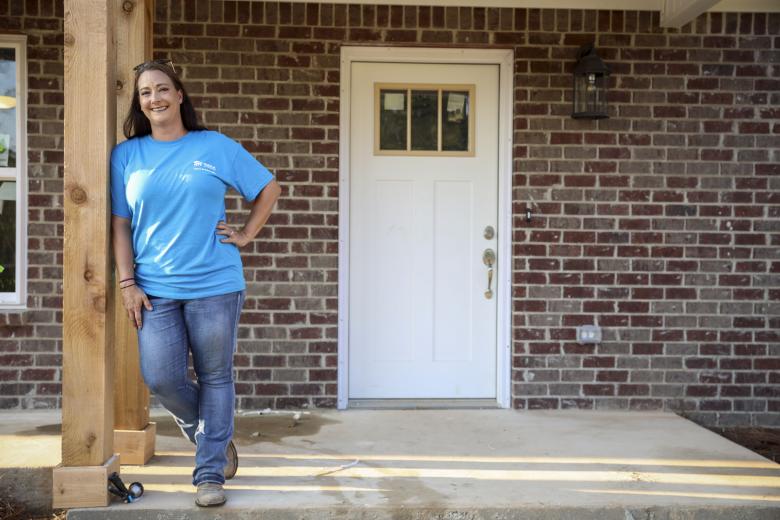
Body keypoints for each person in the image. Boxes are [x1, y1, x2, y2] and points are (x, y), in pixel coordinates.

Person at [110, 59, 281, 507]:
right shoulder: (126, 155)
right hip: (155, 288)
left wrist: (245, 234)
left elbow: (268, 189)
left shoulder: (215, 146)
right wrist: (127, 283)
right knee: (161, 378)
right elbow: (120, 225)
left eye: (163, 89)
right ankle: (208, 432)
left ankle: (210, 475)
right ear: (140, 103)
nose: (155, 99)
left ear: (179, 95)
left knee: (215, 375)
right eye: (146, 93)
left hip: (215, 283)